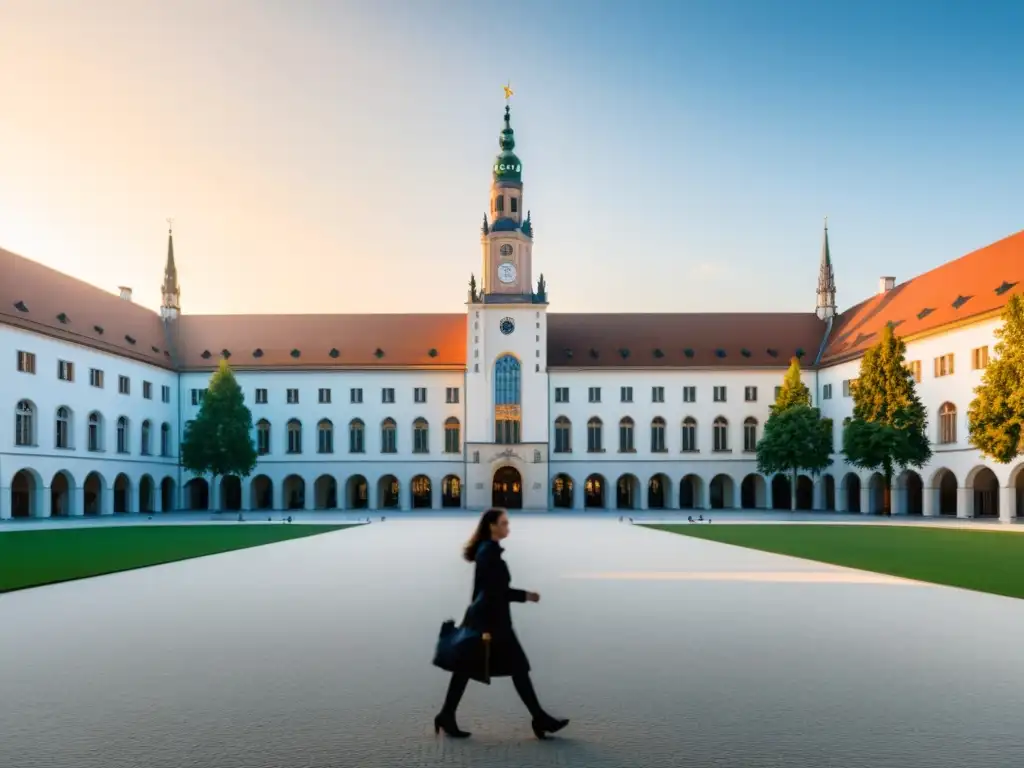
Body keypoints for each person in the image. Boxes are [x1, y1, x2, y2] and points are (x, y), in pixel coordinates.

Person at [435, 507, 569, 740]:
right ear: (491, 526)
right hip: (493, 622)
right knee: (516, 668)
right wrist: (526, 595)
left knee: (469, 667)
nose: (508, 527)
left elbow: (486, 590)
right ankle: (539, 718)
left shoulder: (488, 550)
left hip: (487, 617)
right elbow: (495, 591)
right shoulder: (488, 552)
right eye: (504, 523)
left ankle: (447, 714)